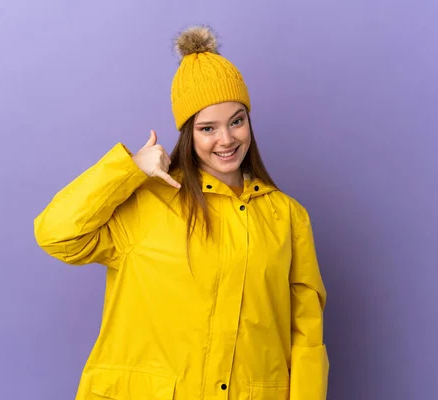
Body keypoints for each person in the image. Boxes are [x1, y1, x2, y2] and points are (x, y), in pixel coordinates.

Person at [34, 25, 329, 400]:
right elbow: (56, 234)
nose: (226, 139)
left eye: (237, 121)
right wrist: (129, 169)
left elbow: (305, 332)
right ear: (189, 132)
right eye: (208, 128)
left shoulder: (287, 216)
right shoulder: (147, 202)